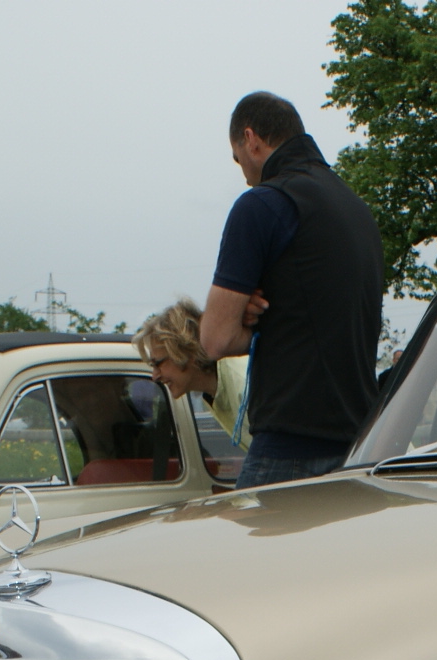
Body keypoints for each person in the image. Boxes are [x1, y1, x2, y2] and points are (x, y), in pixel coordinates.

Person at [198, 91, 382, 489]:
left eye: (238, 159)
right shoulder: (356, 209)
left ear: (251, 139)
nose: (245, 175)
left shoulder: (262, 204)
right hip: (359, 443)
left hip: (291, 444)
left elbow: (214, 339)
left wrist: (256, 321)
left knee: (249, 532)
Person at [134, 298, 250, 454]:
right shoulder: (214, 392)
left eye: (158, 363)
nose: (155, 376)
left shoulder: (243, 383)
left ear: (186, 350)